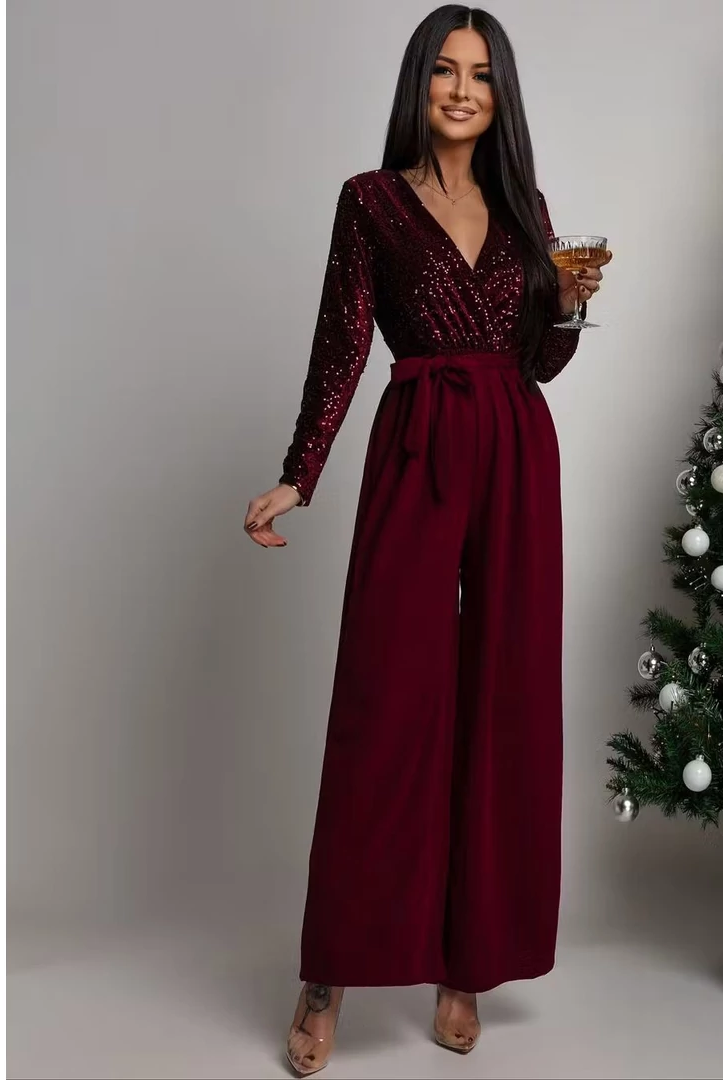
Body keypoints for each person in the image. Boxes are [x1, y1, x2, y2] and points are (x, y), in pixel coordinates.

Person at [244, 5, 611, 1075]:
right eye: (445, 70)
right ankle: (331, 970)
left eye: (481, 75)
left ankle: (469, 961)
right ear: (419, 83)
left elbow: (538, 360)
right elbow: (342, 345)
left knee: (503, 697)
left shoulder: (526, 206)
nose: (461, 89)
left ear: (501, 96)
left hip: (516, 447)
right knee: (387, 697)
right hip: (417, 441)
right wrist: (299, 472)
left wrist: (567, 307)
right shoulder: (370, 202)